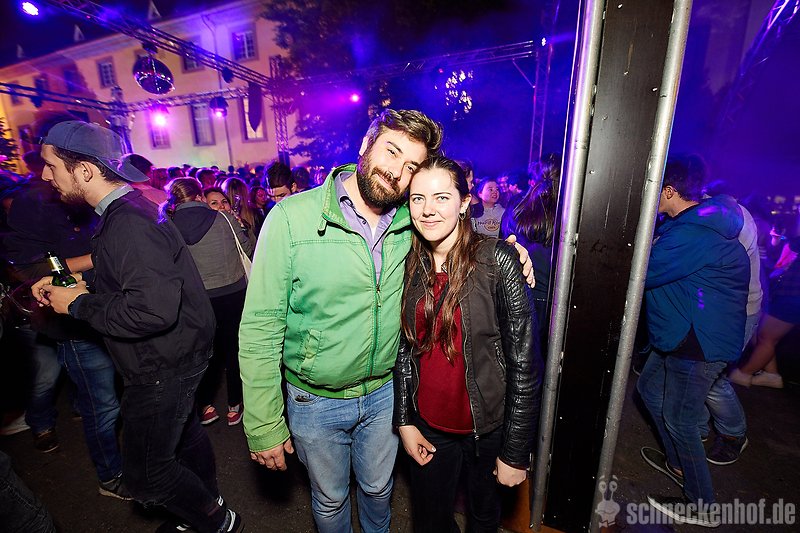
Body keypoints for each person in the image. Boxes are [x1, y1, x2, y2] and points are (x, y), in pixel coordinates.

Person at [239, 109, 533, 533]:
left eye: (411, 166)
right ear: (365, 144)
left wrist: (509, 252)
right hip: (315, 401)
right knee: (330, 499)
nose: (397, 172)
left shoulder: (408, 222)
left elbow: (454, 234)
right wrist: (264, 422)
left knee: (379, 490)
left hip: (384, 396)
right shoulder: (291, 218)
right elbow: (260, 327)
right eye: (392, 152)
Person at [30, 121, 242, 533]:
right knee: (185, 437)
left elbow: (151, 311)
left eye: (51, 165)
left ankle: (217, 522)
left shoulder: (129, 222)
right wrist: (82, 284)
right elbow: (134, 274)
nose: (45, 175)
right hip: (176, 354)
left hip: (161, 364)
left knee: (146, 475)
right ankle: (207, 506)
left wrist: (78, 304)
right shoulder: (128, 210)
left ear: (85, 170)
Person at [393, 155, 543, 532]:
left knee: (484, 518)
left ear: (464, 202)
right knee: (430, 522)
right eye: (417, 198)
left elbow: (525, 364)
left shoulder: (497, 261)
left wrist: (515, 452)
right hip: (429, 425)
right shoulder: (407, 262)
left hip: (488, 428)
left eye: (442, 197)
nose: (428, 210)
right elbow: (404, 350)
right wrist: (405, 421)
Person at [637, 157, 749, 528]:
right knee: (648, 389)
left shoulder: (692, 233)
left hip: (697, 340)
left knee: (681, 419)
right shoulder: (689, 222)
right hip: (682, 332)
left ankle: (702, 504)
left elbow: (642, 272)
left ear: (669, 191)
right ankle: (679, 464)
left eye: (654, 189)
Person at [162, 178, 254, 426]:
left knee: (203, 351)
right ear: (200, 197)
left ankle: (205, 406)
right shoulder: (224, 218)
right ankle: (234, 405)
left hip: (196, 299)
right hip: (233, 293)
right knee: (234, 349)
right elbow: (248, 249)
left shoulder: (167, 225)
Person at [500, 154, 560, 343]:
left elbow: (506, 243)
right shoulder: (570, 211)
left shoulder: (517, 204)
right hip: (555, 301)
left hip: (521, 295)